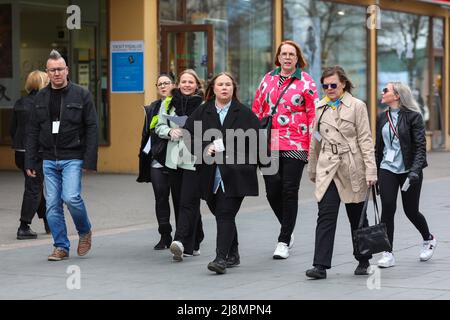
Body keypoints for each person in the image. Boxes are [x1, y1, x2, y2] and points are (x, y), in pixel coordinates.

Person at [25, 50, 98, 261]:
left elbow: (92, 127)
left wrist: (89, 159)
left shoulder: (82, 94)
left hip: (72, 157)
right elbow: (32, 130)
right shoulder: (40, 97)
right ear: (47, 73)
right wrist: (30, 160)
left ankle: (84, 231)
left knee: (72, 197)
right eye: (53, 70)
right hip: (48, 158)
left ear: (67, 70)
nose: (57, 73)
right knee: (52, 205)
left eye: (60, 69)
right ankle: (61, 246)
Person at [305, 66, 377, 279]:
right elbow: (315, 140)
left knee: (357, 216)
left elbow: (365, 139)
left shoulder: (357, 106)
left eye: (333, 85)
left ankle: (363, 259)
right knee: (325, 215)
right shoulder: (320, 107)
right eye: (325, 85)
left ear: (343, 84)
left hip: (351, 165)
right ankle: (320, 265)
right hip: (328, 166)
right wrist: (312, 168)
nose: (329, 89)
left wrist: (371, 170)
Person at [184, 72, 260, 274]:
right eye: (220, 84)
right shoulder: (202, 111)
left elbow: (258, 143)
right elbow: (188, 136)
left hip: (236, 174)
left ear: (233, 88)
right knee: (221, 213)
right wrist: (204, 148)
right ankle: (233, 253)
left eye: (228, 84)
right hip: (208, 174)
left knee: (225, 213)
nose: (224, 88)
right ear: (213, 89)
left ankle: (221, 258)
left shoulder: (244, 113)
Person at [252, 40, 317, 259]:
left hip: (296, 142)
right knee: (272, 190)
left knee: (290, 190)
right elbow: (257, 109)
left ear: (297, 58)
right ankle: (287, 227)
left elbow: (312, 115)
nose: (287, 57)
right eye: (284, 54)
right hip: (269, 141)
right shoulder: (268, 79)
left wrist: (311, 146)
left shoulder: (306, 81)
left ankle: (284, 239)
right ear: (278, 57)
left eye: (292, 54)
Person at [375, 81, 436, 268]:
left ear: (397, 95)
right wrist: (374, 172)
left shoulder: (413, 117)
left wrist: (415, 171)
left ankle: (428, 239)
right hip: (387, 169)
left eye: (386, 90)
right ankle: (388, 252)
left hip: (409, 172)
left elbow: (420, 148)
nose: (382, 92)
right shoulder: (381, 117)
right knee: (387, 208)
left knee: (411, 211)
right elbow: (379, 147)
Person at [155, 69, 204, 261]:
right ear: (178, 84)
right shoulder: (168, 103)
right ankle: (197, 238)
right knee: (180, 201)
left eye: (190, 82)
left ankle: (181, 241)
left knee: (187, 201)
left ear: (196, 85)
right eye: (183, 81)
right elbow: (159, 126)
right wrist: (169, 131)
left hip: (194, 160)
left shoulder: (203, 105)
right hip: (174, 160)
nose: (186, 85)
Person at [137, 74, 176, 250]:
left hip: (177, 158)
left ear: (173, 85)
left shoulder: (180, 104)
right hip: (157, 158)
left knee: (180, 199)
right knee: (160, 197)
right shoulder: (152, 108)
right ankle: (165, 234)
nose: (163, 86)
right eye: (159, 84)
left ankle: (185, 235)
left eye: (166, 83)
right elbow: (146, 134)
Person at [10, 70, 50, 239]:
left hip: (20, 152)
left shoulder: (20, 102)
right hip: (35, 153)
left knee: (35, 185)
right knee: (34, 188)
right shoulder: (43, 104)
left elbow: (13, 129)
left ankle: (48, 220)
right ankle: (24, 226)